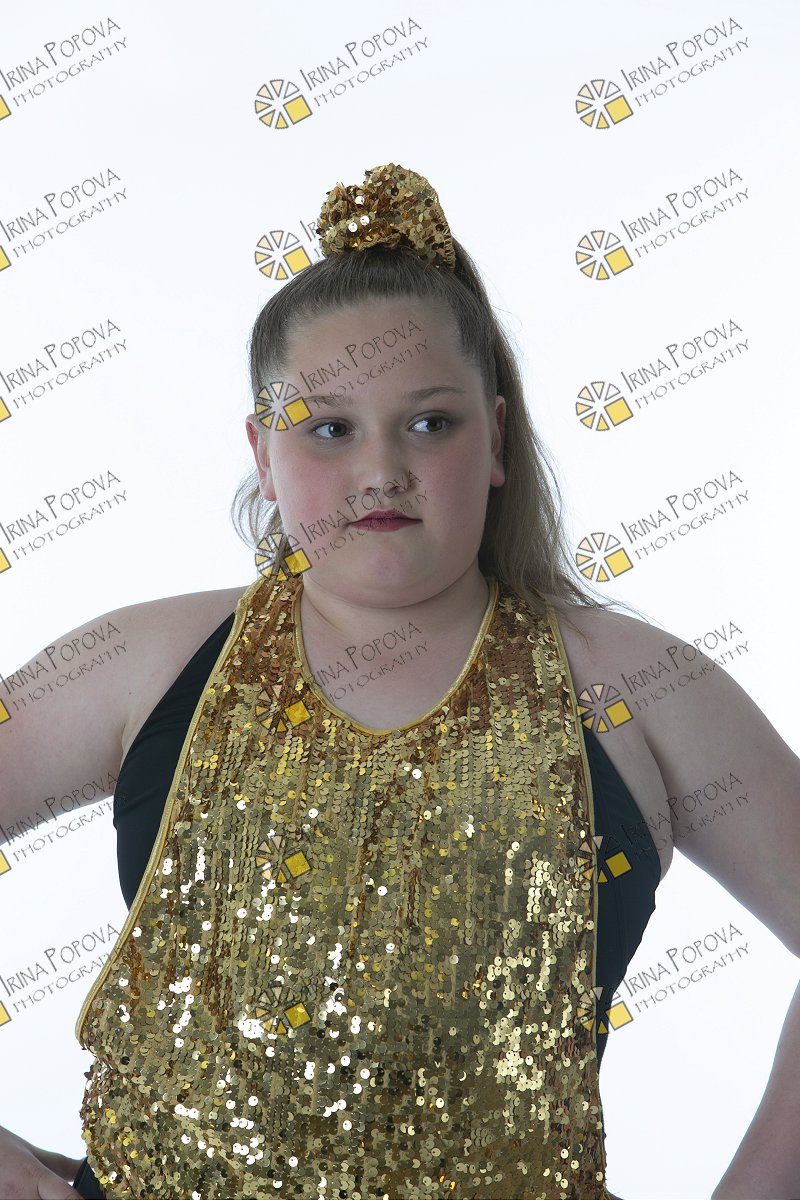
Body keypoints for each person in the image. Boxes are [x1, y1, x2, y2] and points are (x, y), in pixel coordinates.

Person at [2, 164, 798, 1199]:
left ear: (496, 438)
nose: (380, 469)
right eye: (329, 428)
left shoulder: (636, 684)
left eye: (429, 423)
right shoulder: (142, 664)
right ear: (263, 452)